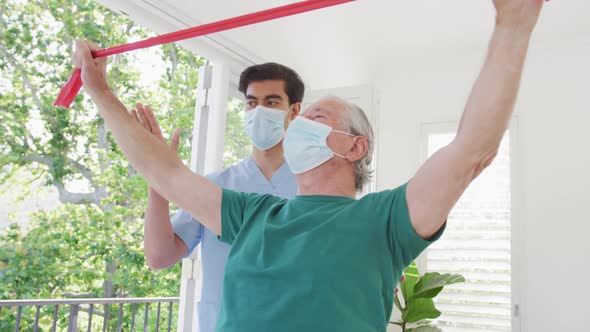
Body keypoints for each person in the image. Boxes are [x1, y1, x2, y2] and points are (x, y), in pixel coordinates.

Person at [72, 0, 546, 330]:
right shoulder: (251, 212)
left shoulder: (384, 219)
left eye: (316, 116)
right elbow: (165, 173)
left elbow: (472, 149)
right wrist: (99, 90)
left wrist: (513, 22)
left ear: (355, 148)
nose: (296, 126)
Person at [135, 63, 303, 332]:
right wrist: (158, 175)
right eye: (251, 103)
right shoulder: (216, 186)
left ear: (293, 111)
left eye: (271, 102)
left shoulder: (312, 187)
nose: (259, 111)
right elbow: (159, 257)